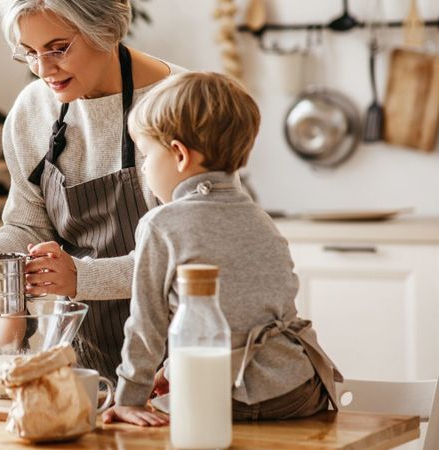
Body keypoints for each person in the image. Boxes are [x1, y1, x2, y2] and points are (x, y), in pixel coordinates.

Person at [0, 0, 186, 383]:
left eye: (59, 48)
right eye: (29, 53)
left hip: (175, 361)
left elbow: (194, 257)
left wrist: (82, 277)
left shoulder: (181, 104)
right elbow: (28, 229)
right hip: (80, 361)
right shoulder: (34, 110)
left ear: (107, 29)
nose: (44, 70)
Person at [102, 72, 343, 426]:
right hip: (300, 390)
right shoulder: (259, 217)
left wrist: (130, 399)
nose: (145, 169)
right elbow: (251, 312)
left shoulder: (161, 224)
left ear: (179, 155)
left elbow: (147, 325)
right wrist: (174, 368)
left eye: (145, 156)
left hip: (221, 397)